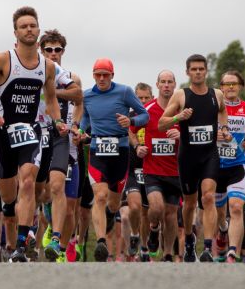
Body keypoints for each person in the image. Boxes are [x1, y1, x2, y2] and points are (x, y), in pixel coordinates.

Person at [0, 6, 68, 262]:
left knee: (28, 181)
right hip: (4, 132)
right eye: (23, 26)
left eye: (32, 25)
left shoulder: (47, 66)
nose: (29, 29)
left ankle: (21, 244)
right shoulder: (3, 60)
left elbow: (51, 101)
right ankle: (11, 235)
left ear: (38, 30)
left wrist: (58, 122)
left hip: (31, 131)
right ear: (15, 32)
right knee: (8, 200)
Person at [72, 57, 149, 261]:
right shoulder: (87, 95)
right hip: (98, 150)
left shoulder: (124, 92)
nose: (102, 78)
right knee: (99, 197)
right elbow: (86, 117)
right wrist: (81, 130)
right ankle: (101, 242)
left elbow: (144, 116)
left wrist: (130, 120)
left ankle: (119, 223)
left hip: (120, 151)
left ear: (112, 75)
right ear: (93, 75)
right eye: (98, 74)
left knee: (114, 204)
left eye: (106, 74)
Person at [158, 54, 232, 262]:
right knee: (189, 204)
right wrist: (177, 117)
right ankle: (190, 240)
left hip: (210, 154)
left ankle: (207, 247)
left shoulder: (216, 94)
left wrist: (224, 128)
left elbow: (223, 111)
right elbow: (161, 124)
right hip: (188, 158)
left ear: (206, 70)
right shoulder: (181, 95)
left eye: (201, 69)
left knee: (208, 197)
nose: (198, 72)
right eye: (194, 69)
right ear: (187, 72)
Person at [37, 29, 83, 262]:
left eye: (57, 50)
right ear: (41, 50)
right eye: (48, 50)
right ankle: (49, 220)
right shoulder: (34, 75)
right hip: (41, 137)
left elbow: (80, 100)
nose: (53, 54)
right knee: (46, 192)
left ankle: (62, 249)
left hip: (67, 141)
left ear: (63, 51)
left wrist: (76, 125)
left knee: (71, 204)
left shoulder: (71, 77)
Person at [137, 72, 182, 263]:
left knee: (171, 215)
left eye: (169, 82)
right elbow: (130, 131)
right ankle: (154, 228)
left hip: (175, 171)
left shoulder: (182, 110)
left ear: (174, 85)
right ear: (157, 85)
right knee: (156, 207)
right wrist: (137, 146)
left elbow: (192, 135)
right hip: (153, 170)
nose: (166, 85)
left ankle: (168, 254)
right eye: (162, 82)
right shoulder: (147, 110)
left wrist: (181, 136)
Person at [213, 70, 245, 263]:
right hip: (214, 166)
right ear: (221, 87)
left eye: (234, 84)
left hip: (238, 164)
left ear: (240, 86)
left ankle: (232, 251)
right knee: (220, 212)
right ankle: (222, 230)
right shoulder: (212, 106)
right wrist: (216, 136)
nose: (231, 87)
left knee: (236, 207)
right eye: (227, 84)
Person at [124, 82, 154, 262]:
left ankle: (144, 249)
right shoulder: (129, 117)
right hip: (132, 169)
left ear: (152, 97)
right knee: (134, 207)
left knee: (147, 213)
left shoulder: (156, 115)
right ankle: (134, 234)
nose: (143, 102)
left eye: (146, 98)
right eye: (139, 98)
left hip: (152, 169)